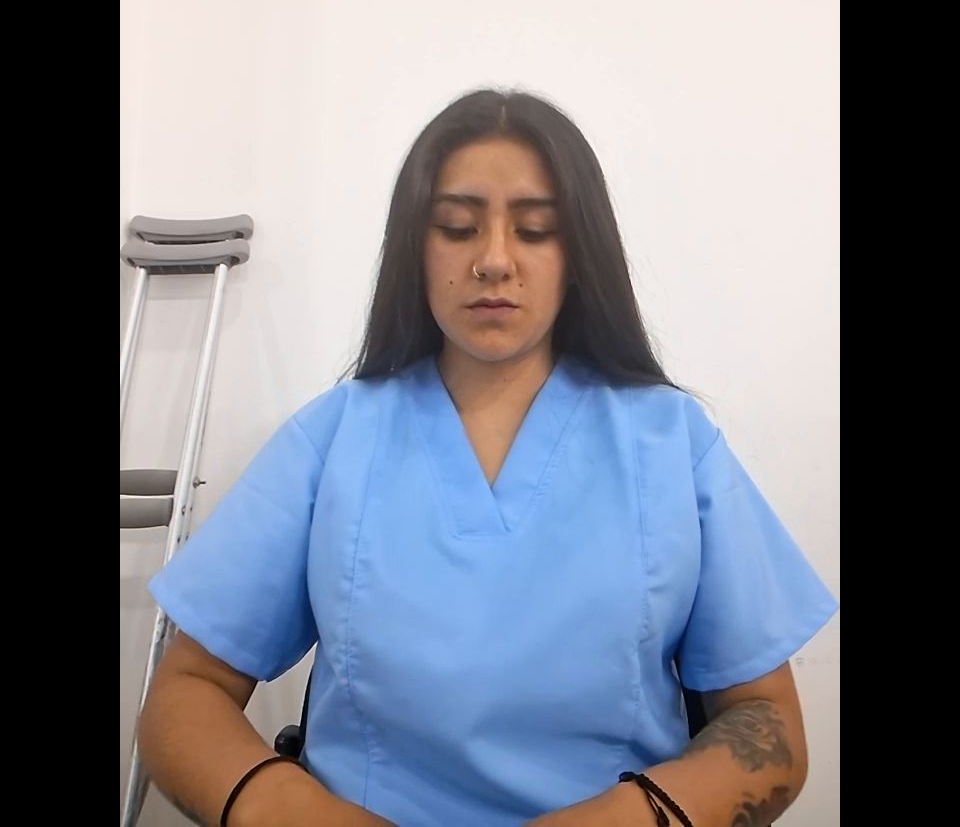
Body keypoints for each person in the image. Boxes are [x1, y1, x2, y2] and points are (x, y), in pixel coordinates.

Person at [137, 88, 839, 827]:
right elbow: (186, 694)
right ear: (416, 247)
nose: (495, 260)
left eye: (536, 230)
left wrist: (633, 816)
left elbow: (767, 721)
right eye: (457, 227)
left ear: (580, 254)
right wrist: (290, 808)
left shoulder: (671, 442)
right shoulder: (334, 439)